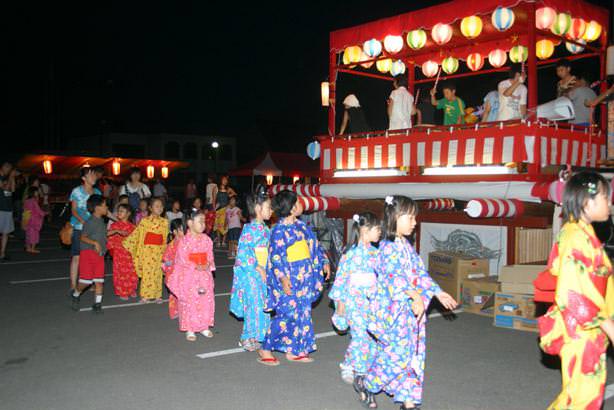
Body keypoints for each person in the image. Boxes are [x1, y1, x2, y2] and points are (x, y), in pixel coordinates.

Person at [354, 195, 457, 410]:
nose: (414, 222)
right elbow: (394, 277)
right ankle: (367, 382)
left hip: (410, 313)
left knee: (413, 356)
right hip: (393, 314)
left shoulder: (406, 246)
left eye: (414, 218)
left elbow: (418, 273)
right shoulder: (387, 247)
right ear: (395, 217)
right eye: (410, 218)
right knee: (397, 357)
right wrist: (415, 295)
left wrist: (438, 292)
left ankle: (409, 402)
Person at [538, 171, 614, 410]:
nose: (609, 203)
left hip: (587, 328)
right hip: (581, 329)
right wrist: (608, 325)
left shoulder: (582, 232)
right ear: (586, 201)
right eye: (605, 197)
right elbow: (574, 293)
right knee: (583, 398)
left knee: (578, 394)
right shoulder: (575, 237)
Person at [257, 190, 329, 365]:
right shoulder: (279, 230)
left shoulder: (302, 226)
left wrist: (324, 260)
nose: (301, 204)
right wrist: (282, 278)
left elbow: (314, 245)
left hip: (305, 277)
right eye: (297, 202)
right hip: (290, 277)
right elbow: (276, 257)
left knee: (302, 313)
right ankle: (265, 348)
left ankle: (295, 349)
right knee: (286, 314)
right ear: (291, 207)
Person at [329, 212, 380, 385]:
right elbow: (341, 280)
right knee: (360, 337)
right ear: (365, 230)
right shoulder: (349, 255)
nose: (380, 231)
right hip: (353, 301)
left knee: (370, 336)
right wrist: (340, 304)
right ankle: (359, 371)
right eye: (377, 228)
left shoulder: (375, 253)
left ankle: (351, 364)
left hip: (371, 302)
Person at [229, 190, 272, 352]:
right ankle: (247, 337)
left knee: (263, 305)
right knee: (253, 305)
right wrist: (257, 267)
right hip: (251, 274)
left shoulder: (266, 229)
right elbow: (244, 253)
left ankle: (260, 336)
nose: (271, 211)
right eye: (268, 207)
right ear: (258, 208)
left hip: (263, 272)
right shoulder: (249, 229)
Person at [166, 209, 216, 342]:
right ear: (189, 223)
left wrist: (208, 264)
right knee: (190, 301)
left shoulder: (207, 240)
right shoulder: (184, 241)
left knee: (205, 300)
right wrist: (196, 266)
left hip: (204, 275)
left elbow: (210, 256)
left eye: (204, 221)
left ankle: (204, 325)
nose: (203, 224)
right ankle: (190, 328)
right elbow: (182, 259)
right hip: (189, 276)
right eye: (200, 221)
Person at [124, 197, 169, 303]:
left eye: (161, 206)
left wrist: (166, 251)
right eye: (156, 206)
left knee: (158, 272)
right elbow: (139, 235)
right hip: (147, 251)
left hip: (159, 250)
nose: (159, 208)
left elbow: (165, 238)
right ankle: (145, 296)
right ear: (150, 208)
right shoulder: (144, 221)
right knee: (147, 273)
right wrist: (131, 245)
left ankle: (158, 295)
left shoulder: (165, 222)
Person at [71, 195, 108, 313]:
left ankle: (97, 304)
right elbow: (82, 237)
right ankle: (76, 293)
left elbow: (102, 234)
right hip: (88, 254)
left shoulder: (101, 221)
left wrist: (115, 231)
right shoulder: (90, 221)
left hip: (99, 255)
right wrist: (95, 243)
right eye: (105, 205)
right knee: (85, 281)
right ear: (97, 208)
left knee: (99, 281)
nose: (107, 207)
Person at [68, 167, 101, 291]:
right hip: (79, 228)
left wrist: (115, 218)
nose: (94, 177)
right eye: (91, 175)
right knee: (77, 257)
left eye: (94, 174)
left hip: (93, 230)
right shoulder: (76, 191)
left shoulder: (97, 192)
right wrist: (83, 221)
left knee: (91, 257)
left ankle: (90, 282)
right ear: (83, 178)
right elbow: (74, 210)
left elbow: (101, 210)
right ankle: (73, 284)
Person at [107, 204, 137, 300]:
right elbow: (110, 239)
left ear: (128, 214)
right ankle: (122, 291)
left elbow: (136, 240)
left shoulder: (133, 227)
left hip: (130, 254)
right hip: (119, 253)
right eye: (118, 211)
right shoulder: (114, 225)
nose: (119, 213)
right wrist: (112, 250)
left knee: (132, 272)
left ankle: (131, 289)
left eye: (122, 211)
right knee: (120, 273)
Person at [163, 218, 186, 320]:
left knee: (186, 292)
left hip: (185, 273)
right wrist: (170, 265)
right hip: (174, 273)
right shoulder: (171, 245)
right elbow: (166, 260)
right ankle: (174, 311)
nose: (183, 232)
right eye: (180, 229)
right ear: (174, 232)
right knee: (174, 294)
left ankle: (185, 310)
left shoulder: (187, 243)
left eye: (184, 229)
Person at [214, 176, 236, 248]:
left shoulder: (228, 189)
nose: (225, 181)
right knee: (217, 226)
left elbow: (235, 194)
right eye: (224, 179)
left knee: (225, 226)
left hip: (226, 209)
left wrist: (229, 195)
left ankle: (223, 241)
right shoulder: (216, 188)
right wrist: (214, 209)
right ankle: (218, 241)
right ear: (220, 180)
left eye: (226, 180)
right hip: (218, 210)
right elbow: (214, 200)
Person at [0, 162, 16, 261]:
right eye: (7, 168)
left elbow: (12, 190)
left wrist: (12, 178)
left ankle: (2, 253)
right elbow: (5, 188)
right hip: (0, 208)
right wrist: (10, 177)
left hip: (8, 208)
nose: (8, 170)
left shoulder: (8, 178)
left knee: (5, 232)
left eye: (10, 169)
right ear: (3, 167)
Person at [23, 187, 47, 254]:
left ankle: (28, 247)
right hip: (34, 219)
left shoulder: (26, 200)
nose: (38, 193)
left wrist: (24, 219)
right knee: (34, 234)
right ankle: (33, 248)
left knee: (28, 234)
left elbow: (24, 209)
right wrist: (44, 213)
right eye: (36, 192)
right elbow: (38, 210)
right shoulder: (34, 200)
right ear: (33, 193)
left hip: (27, 218)